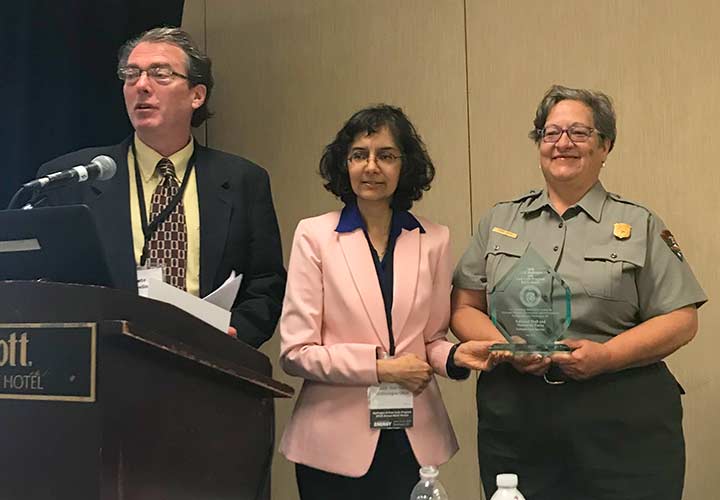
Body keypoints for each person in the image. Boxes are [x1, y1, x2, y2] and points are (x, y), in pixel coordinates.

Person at [451, 85, 707, 500]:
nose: (562, 144)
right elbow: (464, 306)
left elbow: (681, 319)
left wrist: (608, 357)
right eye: (550, 133)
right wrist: (505, 346)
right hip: (518, 417)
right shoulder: (499, 220)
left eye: (579, 133)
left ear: (605, 146)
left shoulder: (639, 223)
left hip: (621, 416)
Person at [278, 104, 502, 500]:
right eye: (359, 155)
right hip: (331, 444)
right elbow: (297, 352)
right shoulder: (314, 236)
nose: (371, 167)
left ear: (405, 166)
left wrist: (456, 356)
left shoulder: (433, 239)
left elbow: (429, 340)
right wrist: (380, 369)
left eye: (386, 155)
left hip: (410, 439)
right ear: (344, 165)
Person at [37, 27, 285, 348]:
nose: (141, 85)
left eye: (160, 74)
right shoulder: (73, 179)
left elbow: (265, 283)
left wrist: (235, 336)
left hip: (210, 364)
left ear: (197, 95)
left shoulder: (243, 180)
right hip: (106, 363)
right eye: (131, 75)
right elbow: (46, 281)